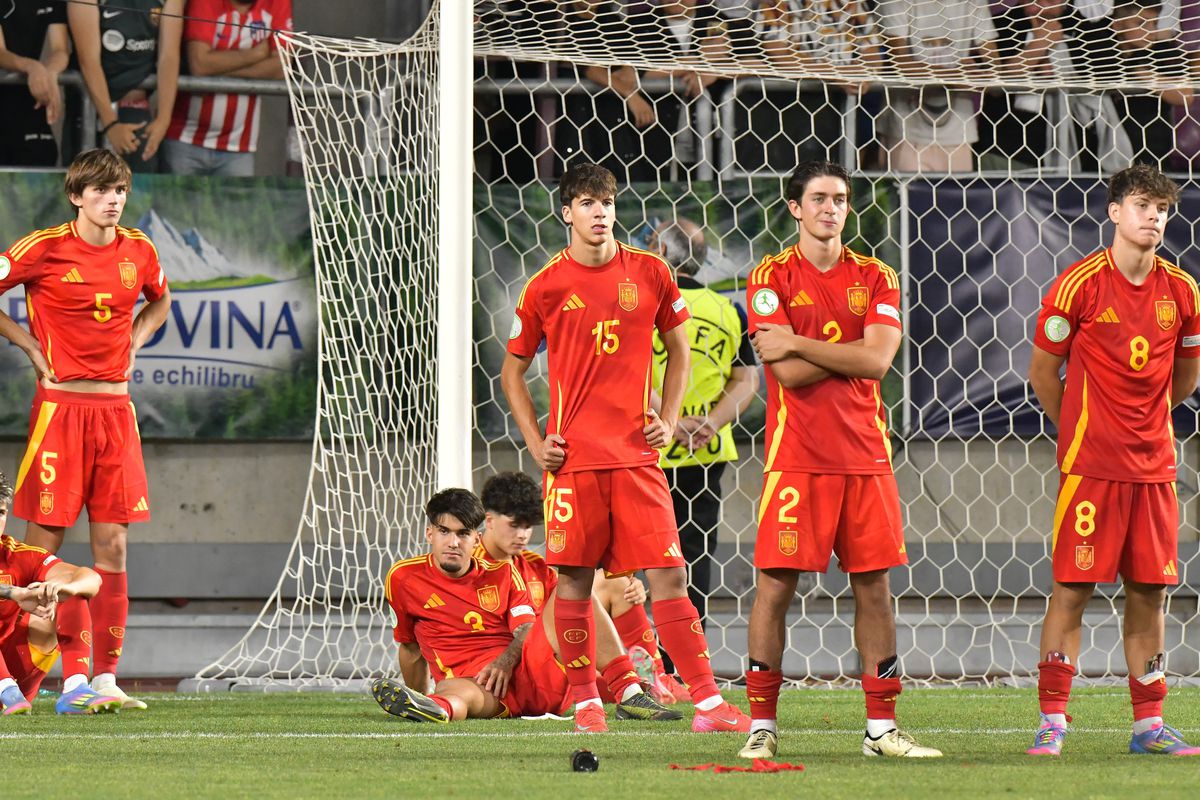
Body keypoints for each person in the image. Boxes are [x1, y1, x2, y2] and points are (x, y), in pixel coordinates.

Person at [501, 161, 751, 734]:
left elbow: (678, 348)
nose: (600, 213)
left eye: (608, 203)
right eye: (588, 203)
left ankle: (708, 704)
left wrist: (668, 417)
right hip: (575, 464)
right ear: (567, 212)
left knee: (670, 577)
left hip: (638, 459)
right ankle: (587, 702)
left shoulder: (651, 272)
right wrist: (537, 443)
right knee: (574, 583)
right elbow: (512, 373)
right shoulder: (545, 286)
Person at [739, 161, 942, 760]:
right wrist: (842, 351)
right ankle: (761, 726)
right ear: (795, 208)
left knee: (874, 588)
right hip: (796, 459)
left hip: (865, 456)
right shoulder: (770, 277)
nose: (831, 208)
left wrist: (798, 340)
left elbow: (877, 362)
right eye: (819, 198)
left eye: (840, 199)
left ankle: (881, 729)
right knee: (775, 587)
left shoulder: (876, 276)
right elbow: (787, 376)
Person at [1026, 164, 1200, 757]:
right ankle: (1053, 720)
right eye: (1143, 206)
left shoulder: (1183, 291)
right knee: (1072, 589)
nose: (1154, 217)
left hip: (1153, 470)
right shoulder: (1077, 286)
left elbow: (1185, 377)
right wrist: (1083, 430)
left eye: (1163, 210)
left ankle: (1149, 726)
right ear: (1115, 212)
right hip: (1091, 469)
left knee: (1150, 592)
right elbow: (1043, 374)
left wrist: (1143, 421)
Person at [0, 149, 171, 711]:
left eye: (119, 190)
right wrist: (28, 344)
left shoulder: (140, 249)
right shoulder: (43, 247)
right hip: (60, 412)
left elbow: (161, 300)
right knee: (39, 549)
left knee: (114, 546)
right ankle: (21, 677)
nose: (112, 200)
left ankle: (103, 680)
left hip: (116, 414)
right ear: (76, 196)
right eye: (100, 191)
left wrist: (137, 339)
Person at [373, 488, 659, 724]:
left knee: (571, 592)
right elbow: (410, 648)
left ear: (475, 538)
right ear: (429, 534)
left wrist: (506, 660)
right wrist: (416, 693)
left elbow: (525, 627)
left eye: (462, 534)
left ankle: (629, 688)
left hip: (533, 674)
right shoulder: (403, 578)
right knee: (453, 692)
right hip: (481, 687)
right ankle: (434, 707)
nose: (453, 543)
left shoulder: (503, 572)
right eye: (444, 532)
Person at [474, 471, 680, 719]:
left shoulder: (534, 564)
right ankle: (629, 683)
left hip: (555, 661)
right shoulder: (472, 569)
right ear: (489, 521)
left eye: (528, 527)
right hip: (519, 674)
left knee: (614, 582)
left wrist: (633, 587)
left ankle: (657, 677)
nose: (522, 535)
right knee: (575, 593)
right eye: (515, 525)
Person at [648, 218, 758, 630]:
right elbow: (746, 379)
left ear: (661, 252)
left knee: (644, 555)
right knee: (694, 555)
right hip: (706, 452)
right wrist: (709, 423)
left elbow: (630, 376)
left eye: (651, 245)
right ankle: (689, 653)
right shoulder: (726, 310)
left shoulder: (645, 308)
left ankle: (648, 653)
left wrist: (671, 421)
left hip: (651, 448)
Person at [0, 471, 119, 716]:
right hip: (7, 687)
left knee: (66, 592)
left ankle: (76, 689)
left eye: (0, 512)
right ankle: (6, 690)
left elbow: (91, 579)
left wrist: (66, 588)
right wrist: (13, 593)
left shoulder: (19, 555)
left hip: (14, 670)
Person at [162, 0, 293, 176]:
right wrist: (256, 54)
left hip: (239, 146)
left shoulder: (276, 2)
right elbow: (200, 64)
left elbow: (282, 67)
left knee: (239, 196)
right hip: (185, 138)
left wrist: (219, 69)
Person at [68, 0, 184, 172]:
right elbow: (89, 61)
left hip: (137, 111)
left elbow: (169, 55)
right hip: (91, 110)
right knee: (89, 182)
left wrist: (164, 118)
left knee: (139, 182)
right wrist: (110, 124)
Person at [0, 0, 70, 166]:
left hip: (28, 100)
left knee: (41, 157)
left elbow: (61, 50)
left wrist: (50, 73)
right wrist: (31, 67)